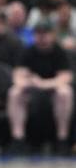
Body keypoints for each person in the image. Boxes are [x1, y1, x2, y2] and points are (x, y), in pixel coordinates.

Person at [6, 21, 73, 155]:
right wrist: (30, 82)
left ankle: (62, 139)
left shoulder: (60, 51)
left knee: (65, 92)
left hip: (53, 90)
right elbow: (18, 77)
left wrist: (43, 83)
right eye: (38, 34)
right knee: (14, 93)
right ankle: (18, 139)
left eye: (45, 34)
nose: (42, 37)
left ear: (52, 35)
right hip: (32, 90)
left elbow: (66, 77)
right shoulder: (27, 51)